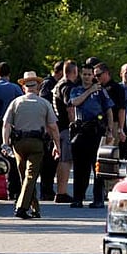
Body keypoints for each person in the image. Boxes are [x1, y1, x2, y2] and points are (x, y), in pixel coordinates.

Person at [1, 71, 61, 219]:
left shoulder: (15, 102)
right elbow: (53, 127)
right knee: (31, 176)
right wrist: (57, 145)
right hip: (36, 143)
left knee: (25, 177)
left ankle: (35, 208)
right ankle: (21, 207)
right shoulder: (44, 103)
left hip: (19, 144)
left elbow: (6, 125)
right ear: (38, 86)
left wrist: (5, 143)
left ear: (23, 87)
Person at [69, 63, 114, 208]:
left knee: (97, 168)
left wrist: (110, 130)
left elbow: (108, 110)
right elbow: (75, 102)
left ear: (93, 76)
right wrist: (89, 91)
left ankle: (98, 199)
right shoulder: (76, 90)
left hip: (96, 131)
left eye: (90, 75)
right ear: (81, 75)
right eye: (85, 74)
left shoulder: (100, 91)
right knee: (80, 168)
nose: (87, 77)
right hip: (81, 131)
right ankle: (78, 198)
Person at [0, 62, 25, 199]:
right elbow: (21, 106)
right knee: (12, 157)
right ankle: (13, 189)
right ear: (9, 74)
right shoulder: (15, 88)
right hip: (11, 126)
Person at [52, 60, 78, 203]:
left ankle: (61, 191)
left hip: (59, 127)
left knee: (64, 160)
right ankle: (61, 192)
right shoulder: (67, 87)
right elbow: (70, 106)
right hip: (65, 128)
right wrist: (74, 123)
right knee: (65, 160)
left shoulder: (58, 85)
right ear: (74, 72)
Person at [38, 60, 64, 201]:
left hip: (50, 125)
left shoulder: (51, 84)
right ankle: (46, 190)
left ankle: (47, 189)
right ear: (59, 72)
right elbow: (45, 103)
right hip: (47, 127)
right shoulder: (48, 84)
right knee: (48, 162)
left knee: (51, 162)